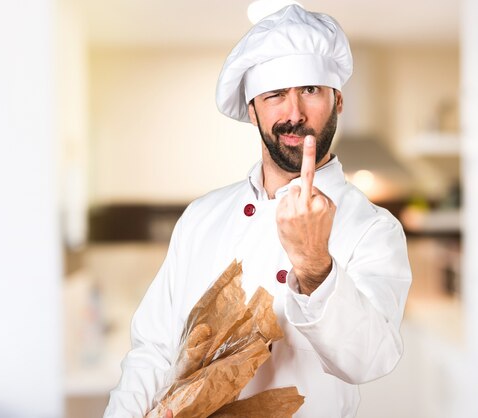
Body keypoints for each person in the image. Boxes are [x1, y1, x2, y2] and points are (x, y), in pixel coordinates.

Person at [104, 5, 411, 418]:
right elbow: (154, 350)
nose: (294, 113)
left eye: (310, 90)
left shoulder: (373, 228)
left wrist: (314, 263)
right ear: (253, 111)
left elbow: (369, 361)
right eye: (275, 95)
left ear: (338, 100)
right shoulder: (201, 217)